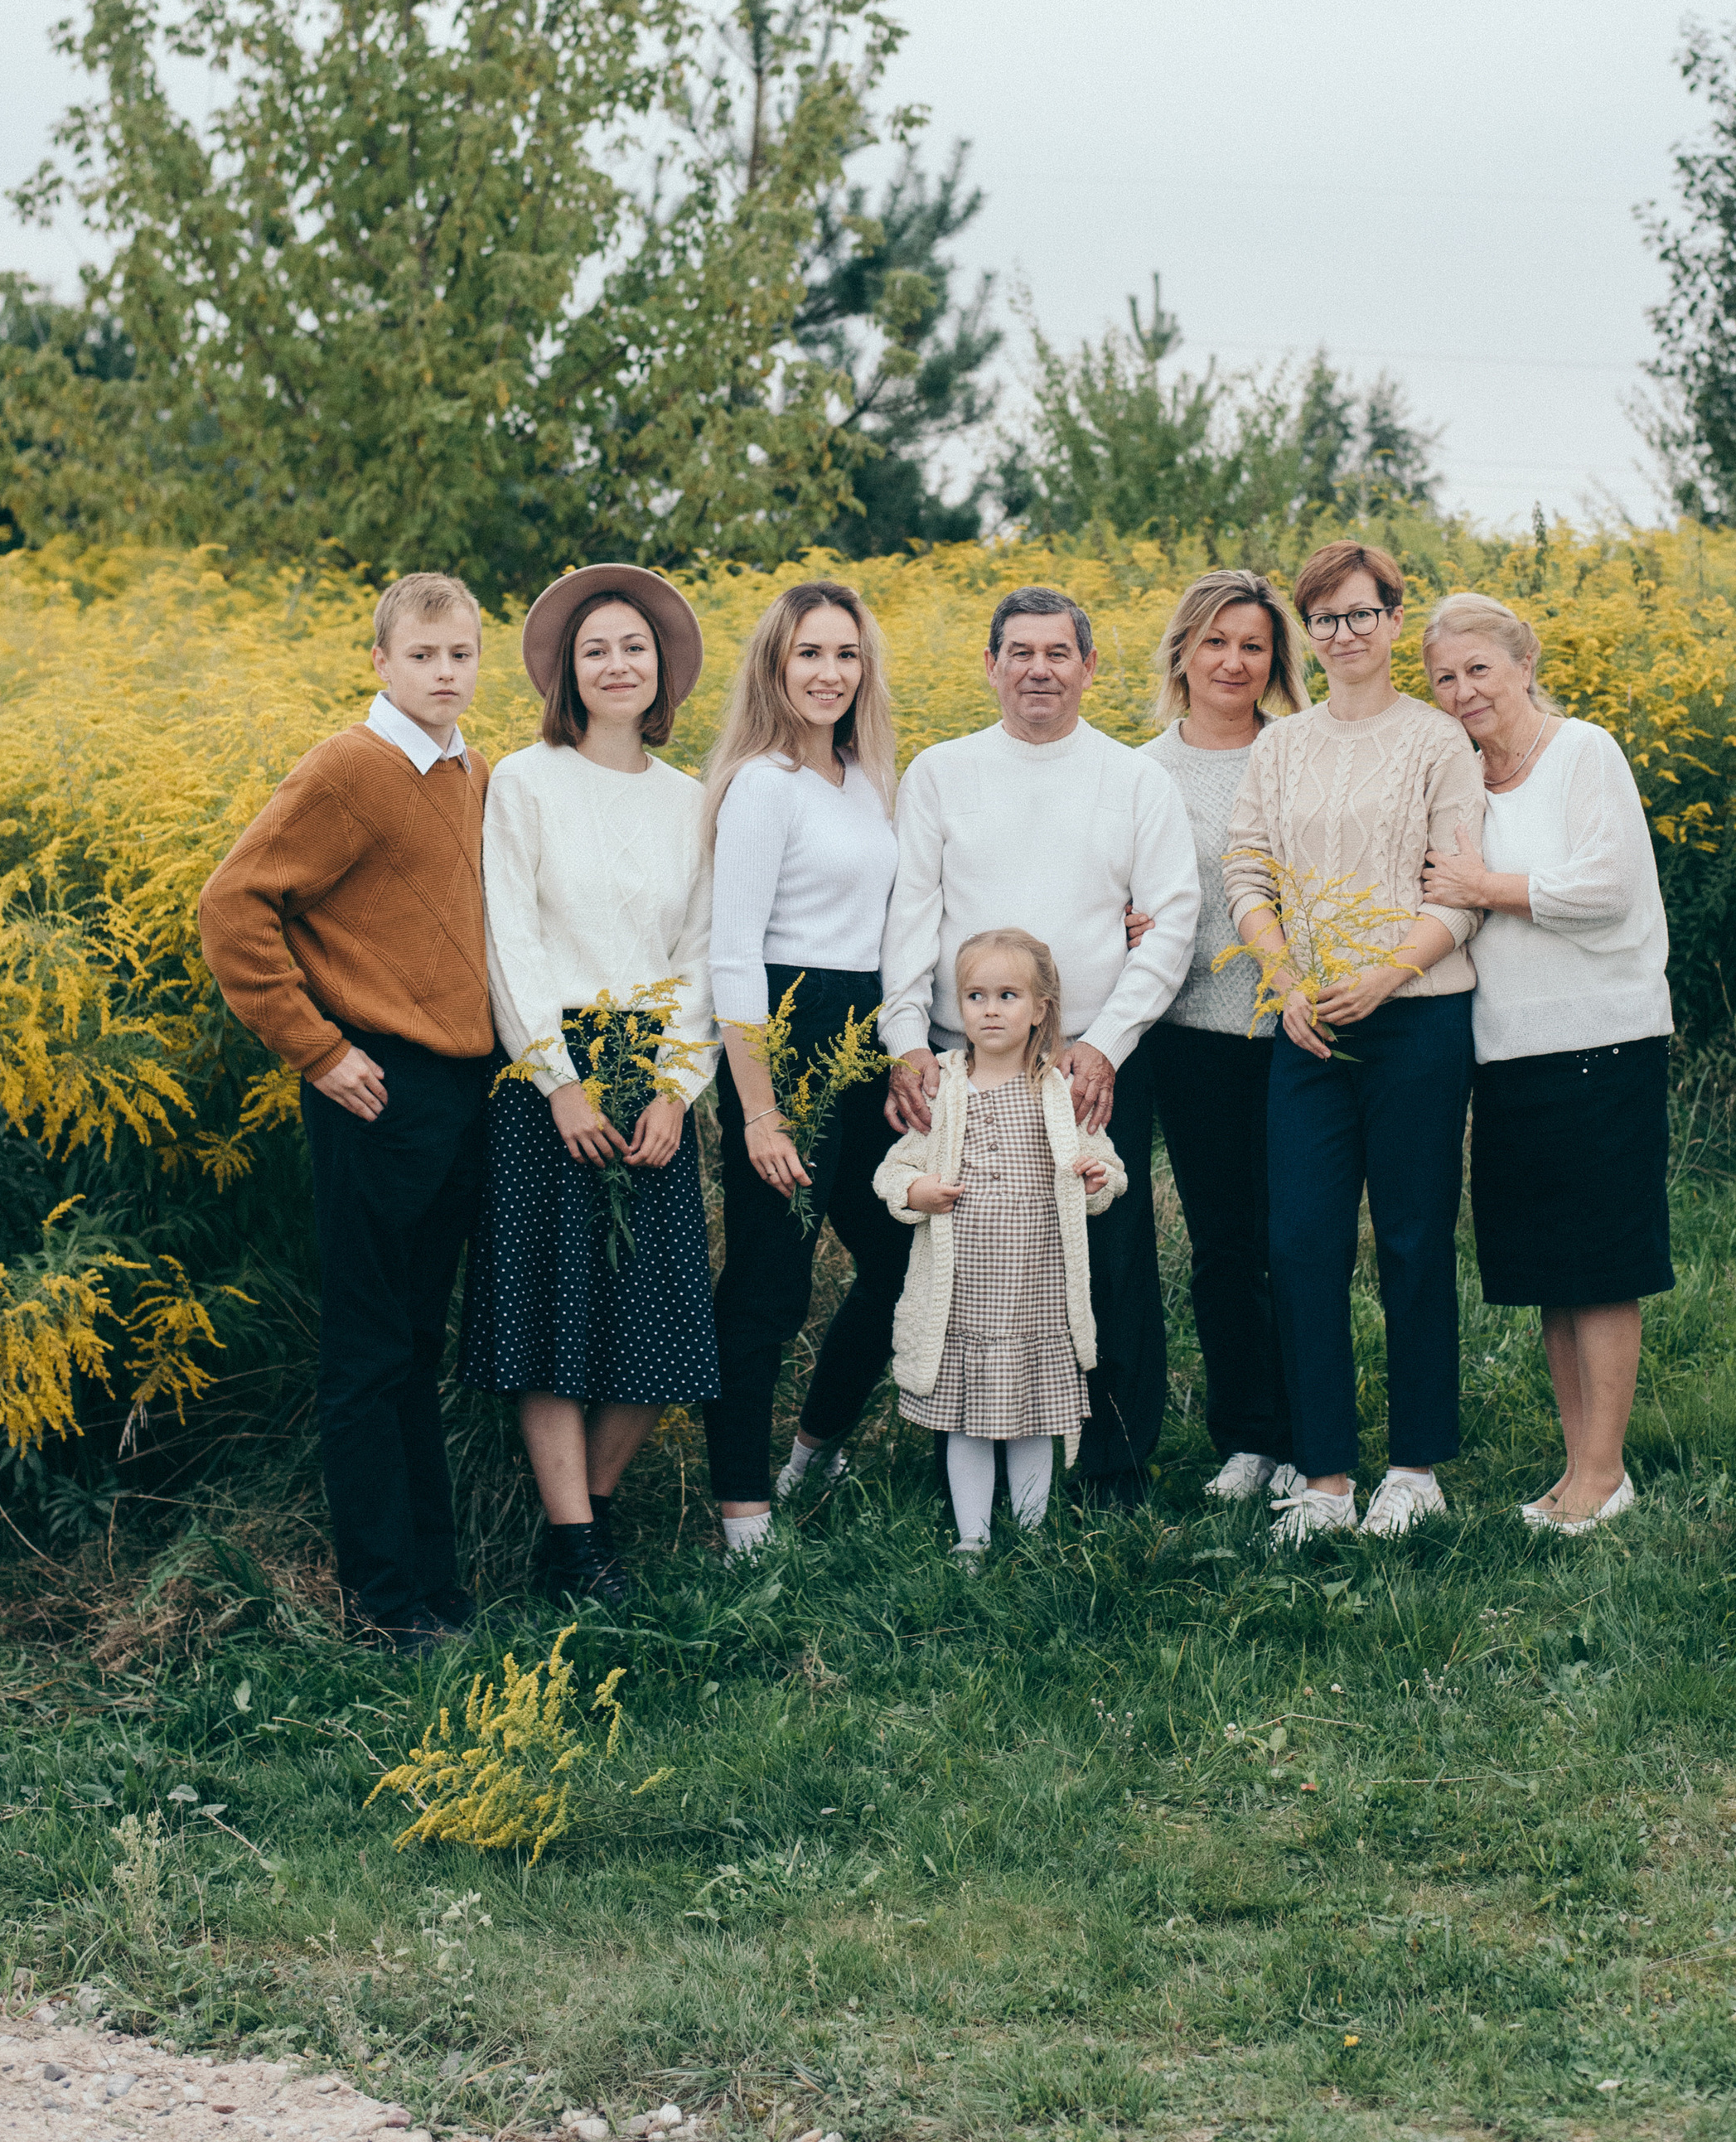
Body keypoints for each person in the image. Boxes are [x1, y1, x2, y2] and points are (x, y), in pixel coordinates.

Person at [198, 571, 494, 1655]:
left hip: (457, 1091)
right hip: (373, 1087)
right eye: (422, 655)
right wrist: (318, 1049)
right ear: (380, 661)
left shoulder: (470, 769)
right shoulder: (348, 766)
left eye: (459, 654)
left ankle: (435, 1587)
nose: (444, 673)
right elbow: (231, 905)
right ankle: (385, 1600)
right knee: (368, 1352)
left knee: (418, 1342)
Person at [880, 584, 1201, 1509]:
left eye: (1058, 652)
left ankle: (1113, 1467)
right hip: (966, 1060)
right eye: (1019, 652)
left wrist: (1107, 1042)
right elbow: (911, 916)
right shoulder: (942, 772)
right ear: (990, 665)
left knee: (1107, 1256)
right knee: (965, 1253)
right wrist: (907, 1041)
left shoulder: (1134, 780)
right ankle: (963, 1452)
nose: (1039, 670)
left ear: (1088, 667)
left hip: (1089, 1064)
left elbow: (1172, 921)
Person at [460, 563, 716, 1608]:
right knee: (548, 1312)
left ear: (661, 670)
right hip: (547, 1067)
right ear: (568, 671)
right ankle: (576, 1547)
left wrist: (677, 1087)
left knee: (667, 1313)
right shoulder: (525, 782)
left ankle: (586, 1524)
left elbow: (701, 954)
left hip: (653, 1070)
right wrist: (557, 1082)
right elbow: (508, 940)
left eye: (633, 648)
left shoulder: (692, 800)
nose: (617, 664)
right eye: (595, 649)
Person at [1221, 539, 1483, 1546]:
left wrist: (1388, 973)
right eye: (1325, 618)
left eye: (1361, 613)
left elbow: (1459, 890)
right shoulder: (1281, 746)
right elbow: (1247, 871)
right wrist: (1286, 982)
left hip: (1417, 1015)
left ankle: (1413, 1469)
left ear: (1393, 620)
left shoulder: (1437, 741)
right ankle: (1325, 1475)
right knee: (1300, 1243)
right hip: (1308, 1024)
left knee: (1413, 1239)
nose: (1344, 633)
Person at [1419, 592, 1673, 1535]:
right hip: (1506, 1048)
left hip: (1604, 1038)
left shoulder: (1583, 752)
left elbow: (1607, 889)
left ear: (1525, 664)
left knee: (1600, 1266)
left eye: (1479, 668)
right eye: (1444, 677)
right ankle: (1577, 1472)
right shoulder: (1461, 781)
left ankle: (1605, 1474)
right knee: (1550, 1270)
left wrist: (1484, 886)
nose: (1463, 691)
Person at [701, 579, 912, 1555]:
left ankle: (813, 1452)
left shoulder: (868, 778)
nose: (830, 674)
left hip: (865, 1034)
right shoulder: (761, 784)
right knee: (769, 1283)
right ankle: (741, 1508)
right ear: (774, 666)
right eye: (809, 654)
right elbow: (734, 956)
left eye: (846, 654)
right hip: (783, 1036)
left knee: (904, 1260)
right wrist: (759, 1110)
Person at [1138, 568, 1309, 1503]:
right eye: (1215, 641)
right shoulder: (1140, 771)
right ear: (1183, 652)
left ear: (1275, 660)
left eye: (1252, 644)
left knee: (1298, 1238)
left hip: (1298, 1028)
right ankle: (1247, 1437)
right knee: (1223, 1246)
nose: (1233, 661)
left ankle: (1311, 1434)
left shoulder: (1303, 752)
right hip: (1191, 1035)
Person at [876, 929, 1125, 1556]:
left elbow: (1107, 1166)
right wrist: (917, 1192)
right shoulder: (944, 1086)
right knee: (967, 1422)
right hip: (964, 1298)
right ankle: (973, 1537)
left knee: (1034, 1418)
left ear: (1040, 1008)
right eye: (976, 996)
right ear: (958, 1005)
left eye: (1008, 995)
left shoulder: (1056, 1091)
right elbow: (893, 1172)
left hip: (1036, 1295)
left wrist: (1097, 1178)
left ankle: (1034, 1532)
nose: (990, 1009)